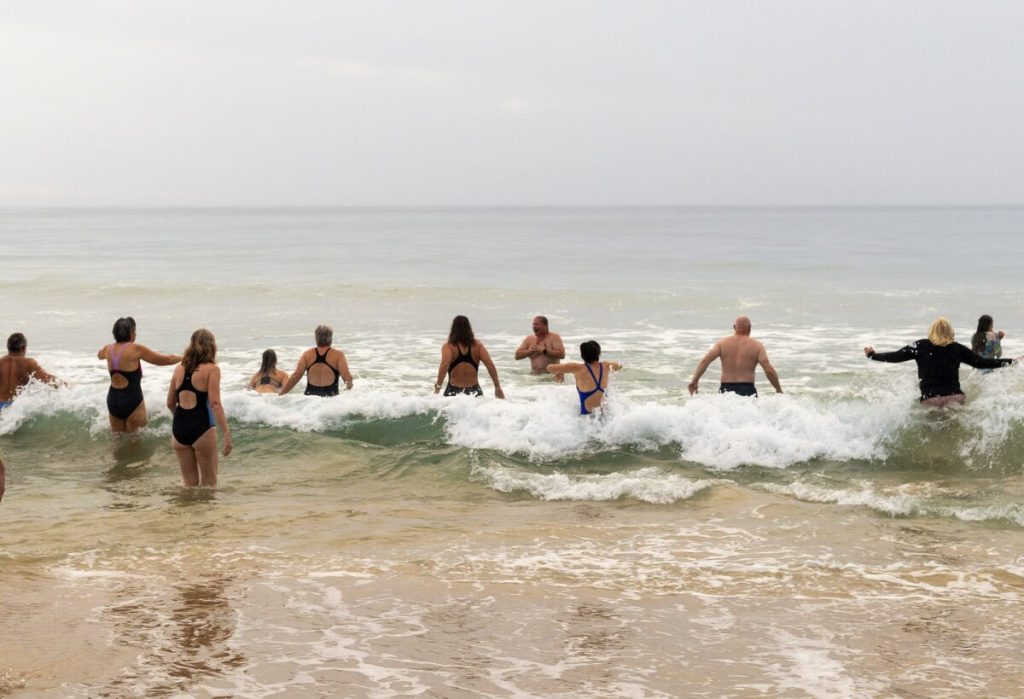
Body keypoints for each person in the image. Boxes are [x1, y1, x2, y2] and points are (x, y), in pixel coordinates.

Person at [865, 317, 1015, 407]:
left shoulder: (920, 346)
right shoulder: (957, 348)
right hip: (956, 397)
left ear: (931, 331)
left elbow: (895, 357)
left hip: (931, 399)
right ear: (951, 332)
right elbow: (983, 363)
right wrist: (1013, 361)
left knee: (931, 432)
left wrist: (872, 355)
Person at [166, 329, 232, 487]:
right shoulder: (212, 369)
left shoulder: (179, 368)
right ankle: (208, 512)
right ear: (211, 346)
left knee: (188, 483)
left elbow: (170, 403)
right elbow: (215, 404)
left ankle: (184, 510)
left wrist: (182, 420)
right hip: (202, 428)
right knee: (209, 483)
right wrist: (226, 433)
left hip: (179, 429)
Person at [97, 317, 182, 432]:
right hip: (132, 399)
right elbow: (167, 360)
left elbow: (99, 355)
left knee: (117, 440)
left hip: (113, 400)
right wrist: (186, 357)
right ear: (131, 333)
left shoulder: (108, 349)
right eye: (134, 331)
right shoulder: (136, 349)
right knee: (135, 441)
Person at [688, 316, 783, 397]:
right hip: (747, 389)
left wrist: (694, 380)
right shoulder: (757, 346)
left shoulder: (722, 343)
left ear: (734, 327)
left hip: (726, 389)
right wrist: (778, 389)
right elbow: (768, 369)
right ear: (750, 328)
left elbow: (705, 361)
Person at [435, 315, 505, 398]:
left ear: (453, 329)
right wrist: (497, 387)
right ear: (469, 328)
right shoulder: (478, 346)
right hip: (474, 391)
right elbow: (489, 364)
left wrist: (438, 388)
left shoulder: (448, 346)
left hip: (453, 391)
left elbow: (445, 364)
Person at [546, 340, 622, 415]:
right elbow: (619, 366)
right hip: (606, 415)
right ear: (598, 353)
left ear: (582, 355)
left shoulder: (578, 368)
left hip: (586, 419)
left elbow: (549, 367)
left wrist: (561, 370)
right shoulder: (606, 365)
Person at [279, 325, 353, 397]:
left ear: (316, 338)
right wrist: (348, 393)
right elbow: (347, 378)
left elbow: (296, 376)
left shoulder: (307, 355)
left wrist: (281, 394)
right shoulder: (338, 355)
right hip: (330, 400)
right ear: (330, 338)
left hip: (310, 400)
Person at [0, 333, 62, 411]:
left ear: (8, 348)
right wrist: (66, 387)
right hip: (14, 409)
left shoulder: (1, 362)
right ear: (23, 348)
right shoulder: (28, 363)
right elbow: (47, 379)